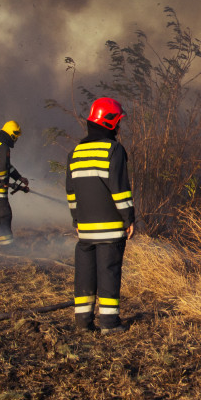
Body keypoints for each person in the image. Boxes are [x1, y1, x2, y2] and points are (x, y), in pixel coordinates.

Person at [66, 97, 135, 334]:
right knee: (108, 272)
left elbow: (71, 192)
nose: (119, 127)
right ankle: (109, 323)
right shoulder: (113, 150)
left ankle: (83, 322)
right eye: (118, 122)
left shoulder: (75, 152)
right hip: (111, 227)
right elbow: (120, 189)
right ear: (109, 122)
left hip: (84, 229)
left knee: (85, 273)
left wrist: (76, 219)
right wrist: (128, 218)